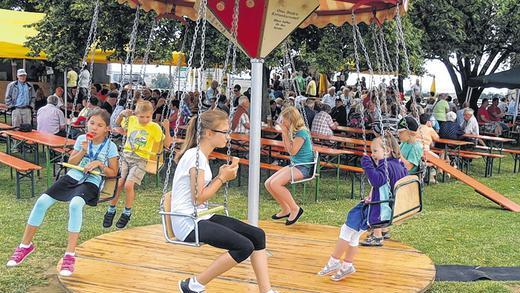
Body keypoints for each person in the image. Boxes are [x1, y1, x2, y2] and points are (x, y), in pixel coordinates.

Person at [172, 110, 277, 293]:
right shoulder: (194, 157)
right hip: (187, 222)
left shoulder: (200, 157)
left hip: (201, 216)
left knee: (257, 235)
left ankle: (266, 290)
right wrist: (221, 178)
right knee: (244, 247)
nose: (228, 137)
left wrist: (222, 176)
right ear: (209, 133)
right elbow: (198, 198)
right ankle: (193, 285)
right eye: (225, 132)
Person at [6, 109, 118, 276]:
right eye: (92, 123)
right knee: (42, 201)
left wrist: (98, 163)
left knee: (75, 205)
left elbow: (113, 172)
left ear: (107, 129)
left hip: (91, 181)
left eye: (99, 125)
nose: (94, 128)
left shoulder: (110, 146)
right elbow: (71, 161)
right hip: (73, 175)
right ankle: (25, 246)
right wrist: (83, 151)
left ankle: (69, 255)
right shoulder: (81, 139)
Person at [317, 133, 407, 280]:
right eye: (372, 152)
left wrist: (367, 164)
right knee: (355, 233)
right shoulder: (398, 164)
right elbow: (385, 185)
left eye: (375, 151)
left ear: (388, 150)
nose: (373, 155)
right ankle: (347, 265)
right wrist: (373, 193)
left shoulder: (387, 165)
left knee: (346, 229)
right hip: (385, 208)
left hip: (377, 210)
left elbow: (377, 180)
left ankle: (334, 261)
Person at [103, 101, 172, 228]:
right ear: (136, 114)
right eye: (142, 117)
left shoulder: (154, 127)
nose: (145, 119)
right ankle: (111, 209)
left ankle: (126, 212)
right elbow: (118, 124)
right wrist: (122, 114)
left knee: (129, 185)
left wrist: (166, 128)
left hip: (141, 159)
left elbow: (167, 144)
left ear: (151, 115)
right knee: (119, 184)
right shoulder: (132, 120)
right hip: (126, 156)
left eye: (148, 117)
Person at [265, 106, 313, 226]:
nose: (282, 122)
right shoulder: (295, 131)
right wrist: (284, 133)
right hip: (295, 165)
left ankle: (295, 208)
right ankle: (285, 209)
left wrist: (285, 132)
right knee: (268, 183)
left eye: (284, 119)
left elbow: (292, 151)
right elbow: (288, 149)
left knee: (276, 184)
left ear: (291, 119)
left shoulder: (302, 132)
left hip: (303, 167)